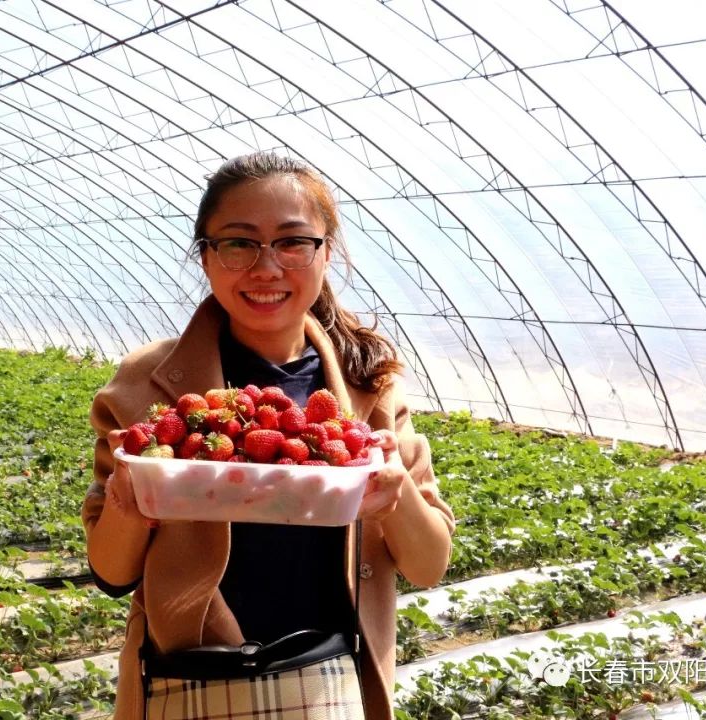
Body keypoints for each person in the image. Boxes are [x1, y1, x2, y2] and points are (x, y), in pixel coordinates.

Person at [82, 151, 455, 719]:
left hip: (331, 682)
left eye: (292, 241)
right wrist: (131, 504)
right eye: (238, 242)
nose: (266, 268)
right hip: (192, 680)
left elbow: (429, 565)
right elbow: (111, 571)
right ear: (205, 256)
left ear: (326, 252)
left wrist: (392, 492)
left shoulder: (367, 388)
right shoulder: (146, 387)